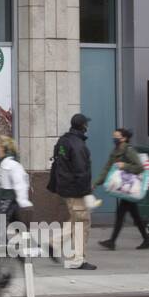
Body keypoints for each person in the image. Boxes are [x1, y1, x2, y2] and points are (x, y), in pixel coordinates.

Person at [50, 113, 97, 269]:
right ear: (83, 126)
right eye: (86, 124)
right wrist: (86, 192)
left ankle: (54, 243)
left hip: (66, 188)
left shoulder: (63, 141)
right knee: (83, 223)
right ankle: (78, 259)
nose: (87, 127)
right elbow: (81, 171)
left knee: (75, 219)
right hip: (77, 190)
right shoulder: (78, 145)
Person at [97, 127, 149, 251]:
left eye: (117, 137)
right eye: (114, 136)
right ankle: (146, 239)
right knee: (134, 215)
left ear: (124, 138)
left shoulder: (129, 150)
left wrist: (124, 165)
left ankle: (113, 241)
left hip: (130, 187)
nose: (114, 139)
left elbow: (139, 167)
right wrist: (97, 183)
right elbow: (107, 167)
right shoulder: (115, 151)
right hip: (126, 188)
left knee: (121, 214)